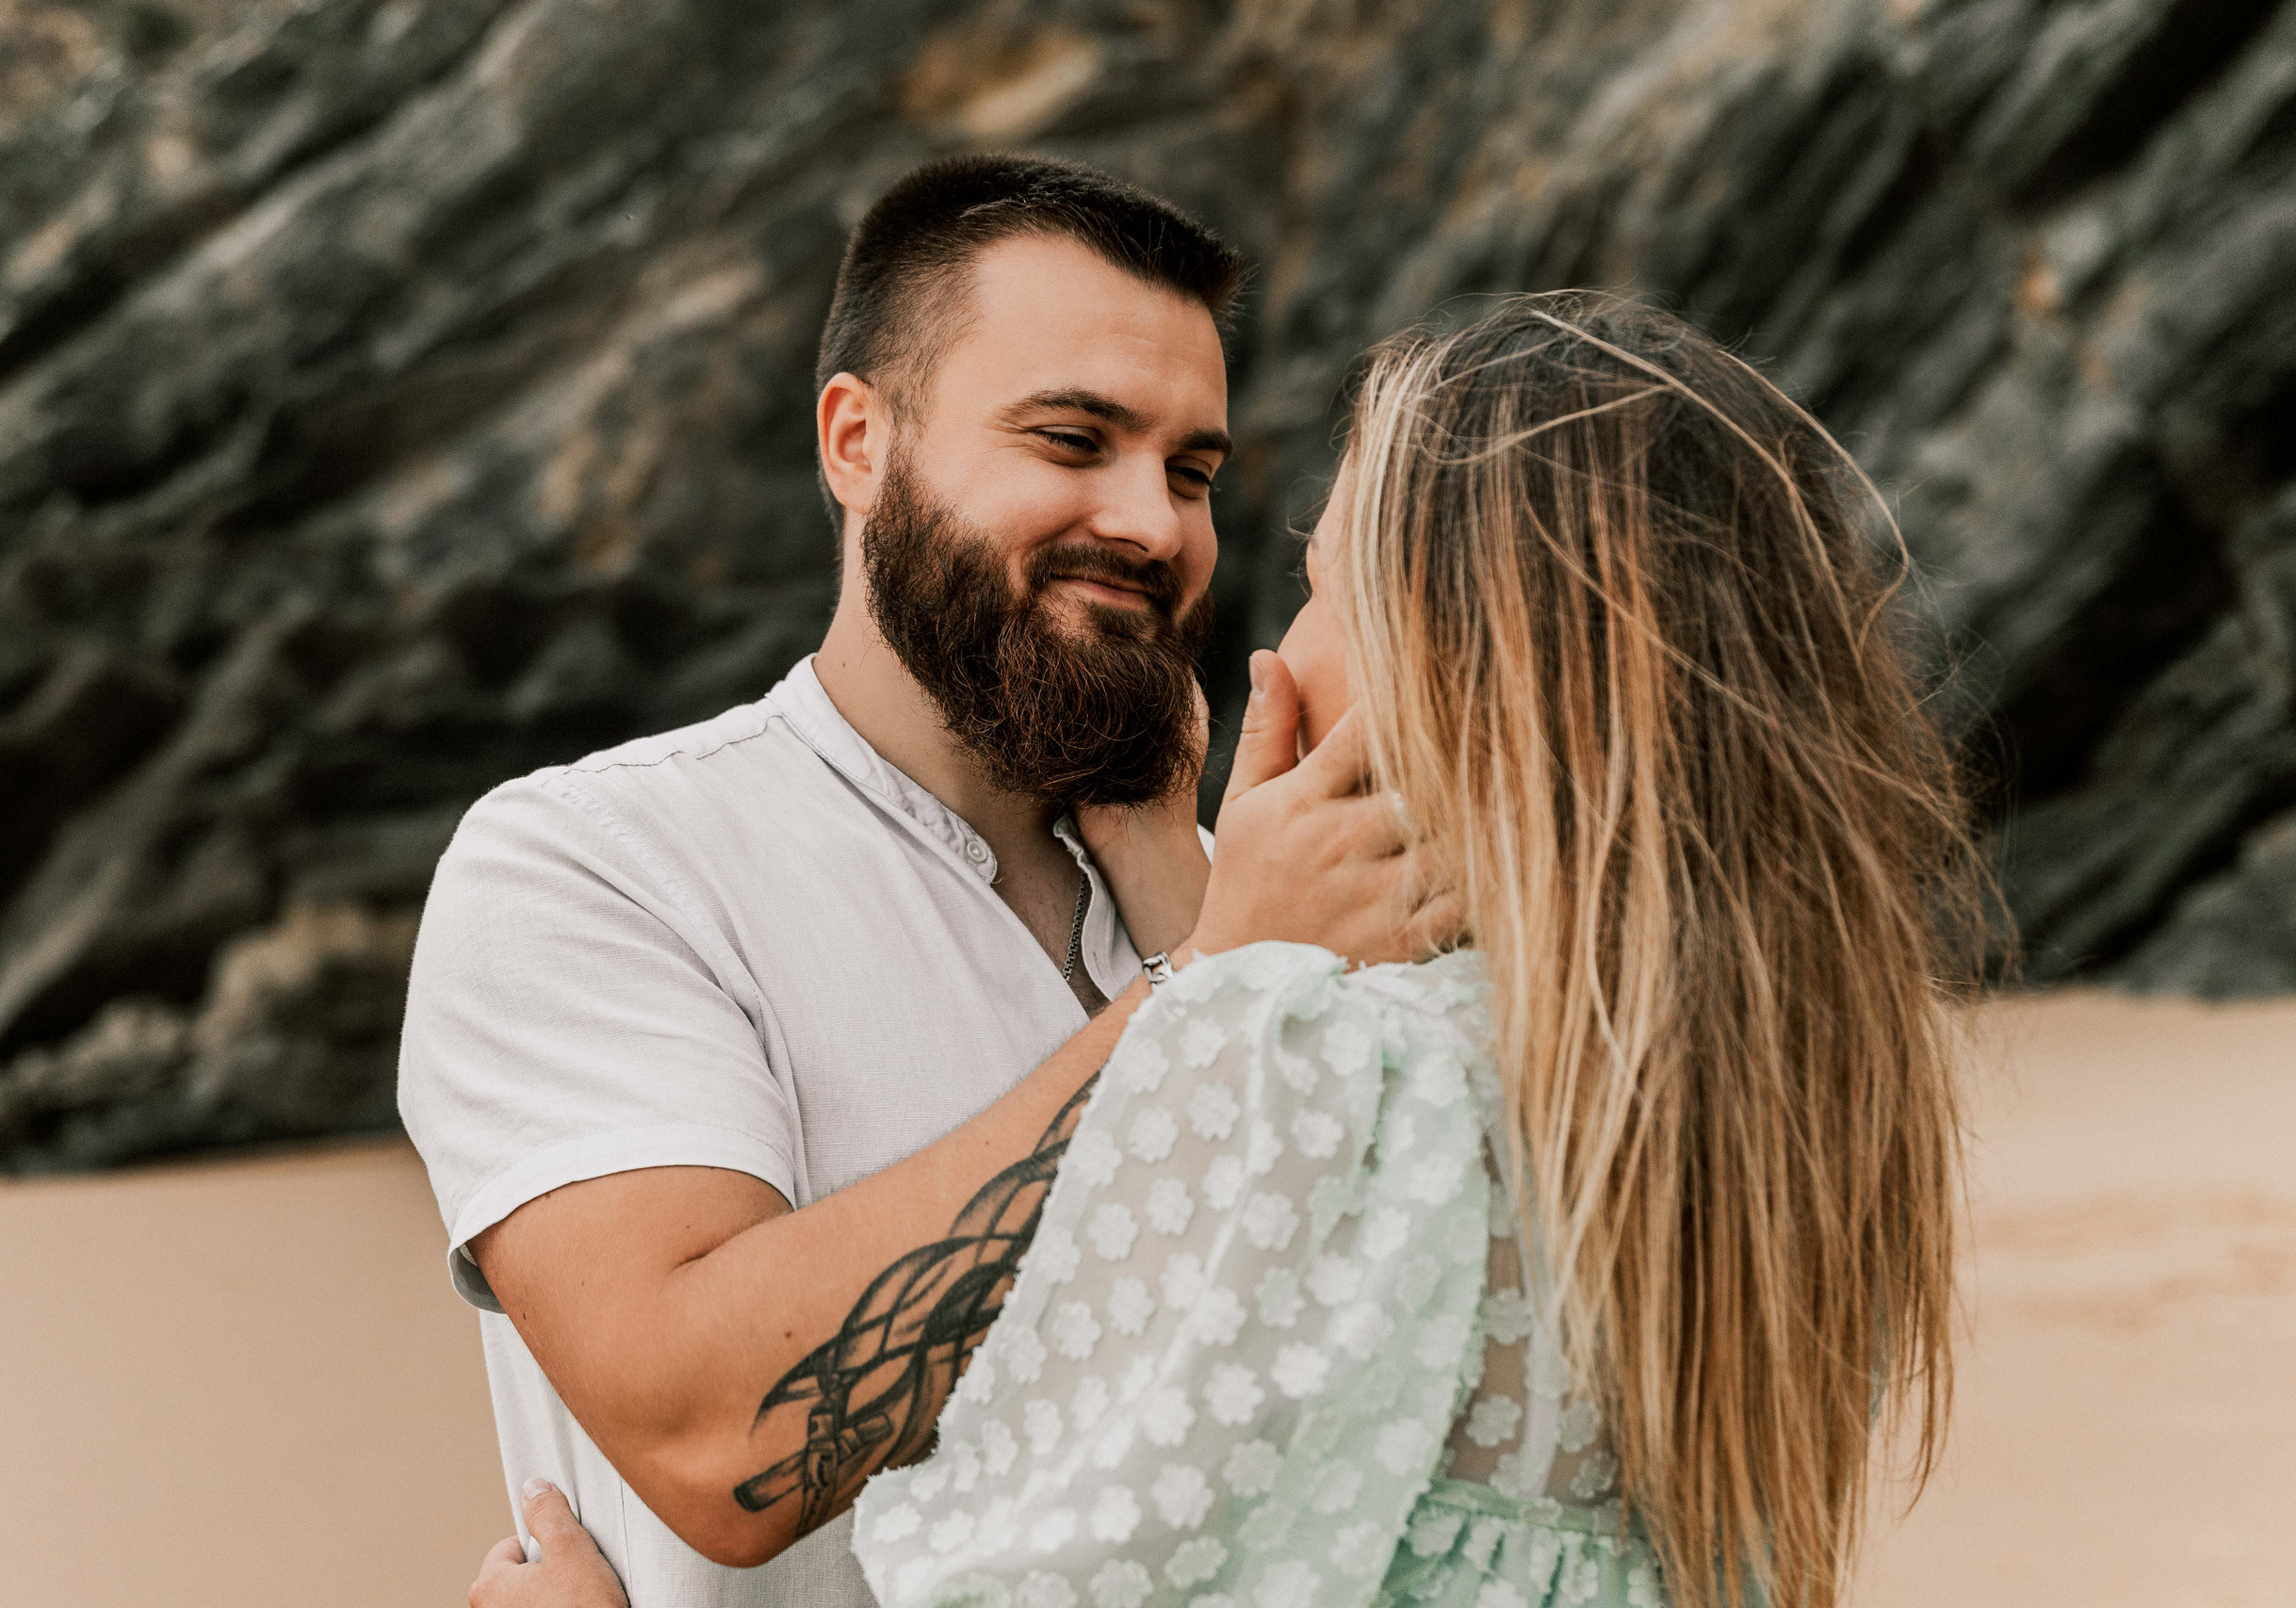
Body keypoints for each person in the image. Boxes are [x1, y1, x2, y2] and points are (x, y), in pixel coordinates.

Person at [480, 292, 1980, 1608]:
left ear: (1465, 651)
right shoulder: (1780, 1082)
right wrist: (1206, 914)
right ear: (855, 440)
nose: (1268, 639)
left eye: (1324, 585)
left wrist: (1231, 988)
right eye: (1072, 440)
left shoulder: (1327, 1054)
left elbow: (1056, 1578)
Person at [403, 152, 1435, 1608]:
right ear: (856, 441)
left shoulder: (1221, 897)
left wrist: (1190, 907)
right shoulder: (597, 866)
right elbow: (722, 1444)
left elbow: (1381, 1412)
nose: (1153, 522)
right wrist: (1220, 991)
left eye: (1192, 469)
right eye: (1074, 438)